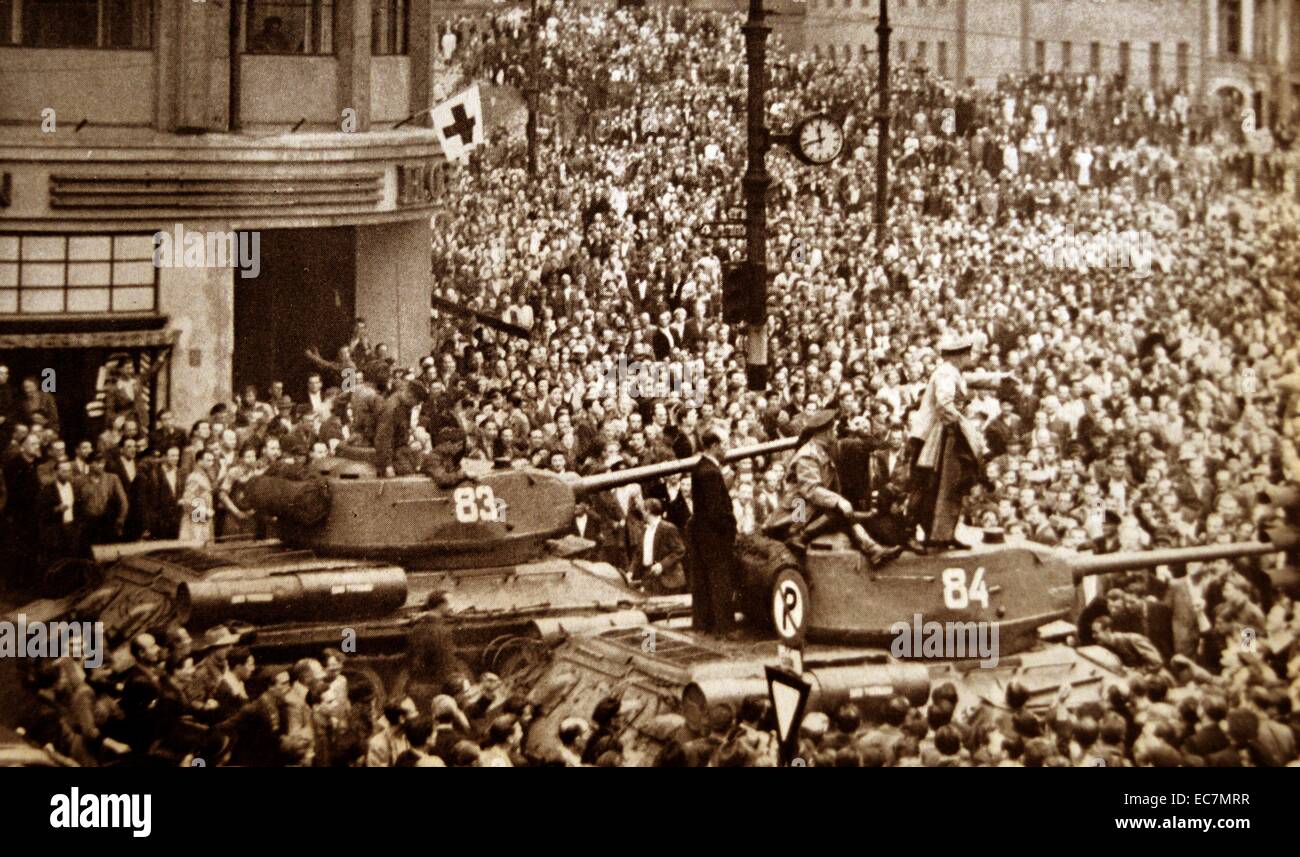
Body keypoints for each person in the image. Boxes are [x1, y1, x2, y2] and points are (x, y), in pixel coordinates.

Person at [907, 335, 1010, 550]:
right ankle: (917, 533)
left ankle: (943, 534)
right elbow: (945, 404)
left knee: (949, 486)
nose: (970, 359)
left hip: (944, 435)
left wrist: (1002, 377)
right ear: (958, 356)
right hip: (934, 438)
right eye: (967, 355)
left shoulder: (951, 371)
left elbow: (971, 379)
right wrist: (967, 426)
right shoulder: (945, 374)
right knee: (929, 487)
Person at [775, 409, 902, 565]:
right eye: (833, 429)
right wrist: (838, 501)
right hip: (797, 511)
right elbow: (810, 489)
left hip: (810, 505)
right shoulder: (808, 455)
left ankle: (873, 549)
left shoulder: (824, 449)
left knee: (842, 512)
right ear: (824, 432)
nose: (836, 432)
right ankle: (799, 536)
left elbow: (872, 444)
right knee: (838, 510)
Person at [687, 430, 740, 634]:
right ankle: (724, 627)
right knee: (720, 580)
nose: (726, 449)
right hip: (714, 536)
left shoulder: (701, 467)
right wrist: (729, 529)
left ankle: (704, 624)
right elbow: (716, 509)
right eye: (724, 445)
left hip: (703, 533)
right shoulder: (710, 472)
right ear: (714, 446)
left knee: (703, 580)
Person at [626, 497, 686, 594]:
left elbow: (679, 550)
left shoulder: (668, 528)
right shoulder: (644, 529)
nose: (641, 513)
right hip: (650, 579)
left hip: (668, 581)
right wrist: (630, 572)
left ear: (648, 511)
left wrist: (662, 565)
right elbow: (638, 554)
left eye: (642, 510)